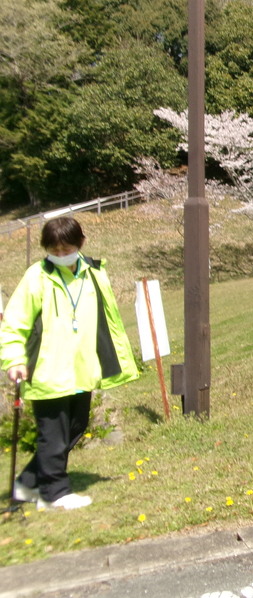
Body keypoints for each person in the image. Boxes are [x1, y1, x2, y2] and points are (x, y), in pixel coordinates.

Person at [0, 217, 139, 510]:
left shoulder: (94, 272)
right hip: (47, 371)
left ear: (81, 243)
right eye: (54, 250)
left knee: (75, 428)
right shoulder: (36, 277)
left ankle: (27, 485)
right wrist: (14, 360)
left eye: (67, 249)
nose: (61, 255)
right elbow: (14, 323)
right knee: (53, 436)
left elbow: (108, 319)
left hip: (82, 370)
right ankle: (54, 494)